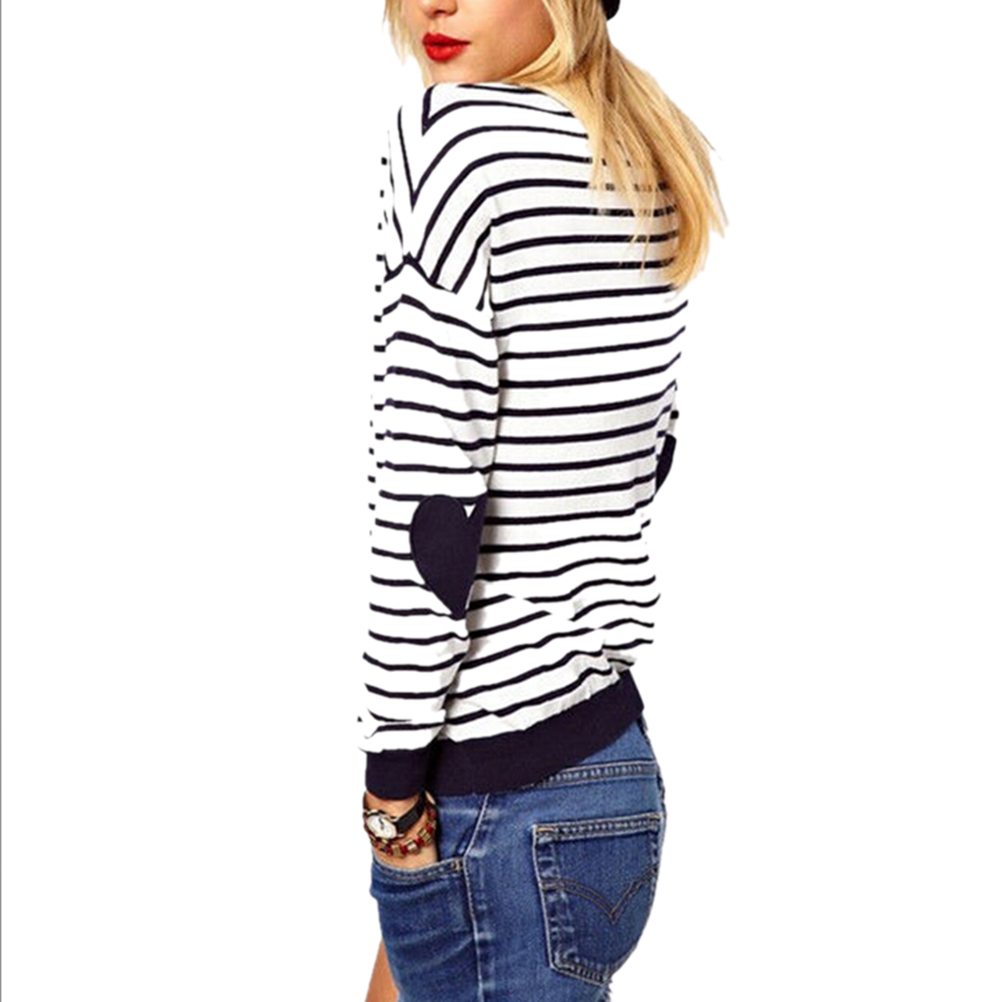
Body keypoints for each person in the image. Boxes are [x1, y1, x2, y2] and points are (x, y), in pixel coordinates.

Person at [358, 1, 726, 998]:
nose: (433, 5)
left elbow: (431, 502)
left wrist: (391, 786)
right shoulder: (645, 147)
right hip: (609, 765)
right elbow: (646, 456)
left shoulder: (451, 137)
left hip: (487, 792)